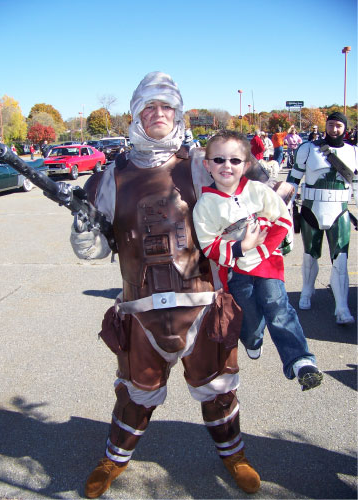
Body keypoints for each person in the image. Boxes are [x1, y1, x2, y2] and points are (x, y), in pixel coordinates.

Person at [70, 72, 261, 498]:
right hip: (142, 314)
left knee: (218, 389)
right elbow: (97, 248)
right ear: (136, 113)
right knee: (136, 395)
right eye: (148, 107)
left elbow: (249, 203)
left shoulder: (202, 164)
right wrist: (86, 237)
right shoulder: (107, 178)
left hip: (202, 306)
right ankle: (112, 461)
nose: (158, 114)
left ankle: (235, 456)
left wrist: (246, 234)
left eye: (166, 107)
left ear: (178, 112)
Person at [193, 130, 323, 392]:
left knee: (277, 306)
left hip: (268, 263)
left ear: (247, 165)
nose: (226, 166)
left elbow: (283, 220)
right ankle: (253, 341)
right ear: (207, 165)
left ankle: (300, 361)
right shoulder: (205, 204)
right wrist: (242, 246)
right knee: (250, 317)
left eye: (235, 160)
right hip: (236, 270)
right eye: (218, 160)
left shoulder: (257, 191)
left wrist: (263, 248)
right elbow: (209, 245)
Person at [287, 112, 358, 324]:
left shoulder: (353, 152)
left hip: (340, 212)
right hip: (311, 211)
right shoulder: (308, 149)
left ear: (344, 128)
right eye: (331, 125)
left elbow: (356, 183)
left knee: (341, 260)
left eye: (338, 125)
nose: (334, 129)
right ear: (325, 126)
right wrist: (283, 206)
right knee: (310, 255)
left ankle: (342, 307)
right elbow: (293, 179)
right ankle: (307, 291)